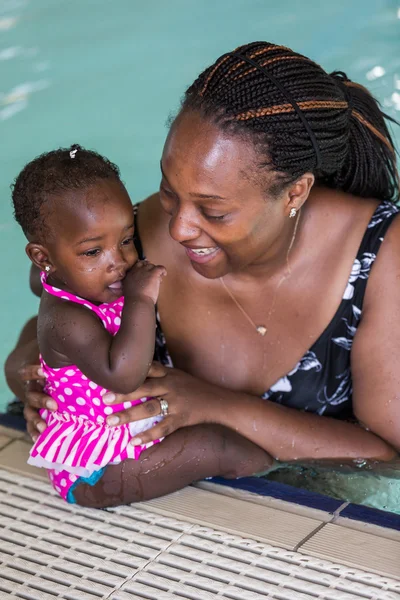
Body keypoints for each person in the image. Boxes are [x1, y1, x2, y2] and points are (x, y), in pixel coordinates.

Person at [5, 41, 400, 509]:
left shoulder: (380, 257)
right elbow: (58, 315)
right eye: (168, 192)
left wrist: (214, 406)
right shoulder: (137, 236)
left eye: (212, 211)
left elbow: (387, 457)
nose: (178, 228)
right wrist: (32, 376)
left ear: (295, 192)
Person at [9, 144, 167, 502]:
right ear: (43, 257)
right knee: (221, 449)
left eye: (126, 240)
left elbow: (39, 281)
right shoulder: (68, 318)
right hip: (96, 469)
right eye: (93, 252)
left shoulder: (77, 280)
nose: (120, 261)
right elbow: (124, 377)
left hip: (122, 439)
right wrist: (141, 300)